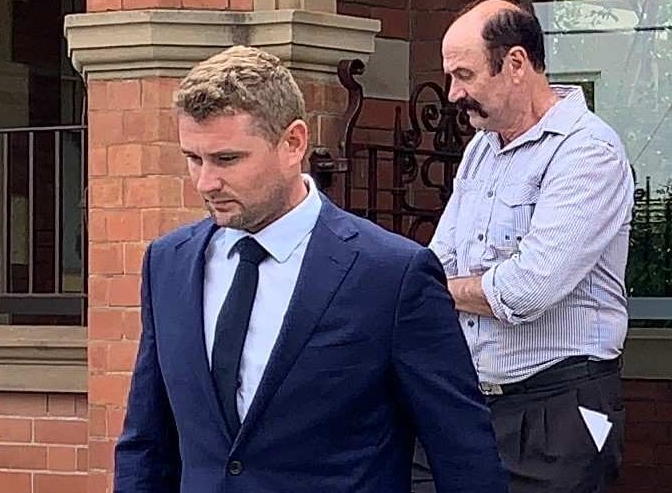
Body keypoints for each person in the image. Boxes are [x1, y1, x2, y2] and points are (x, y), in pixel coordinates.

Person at [113, 45, 508, 493]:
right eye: (193, 158)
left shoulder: (392, 274)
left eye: (227, 159)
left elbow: (463, 454)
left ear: (293, 143)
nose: (206, 182)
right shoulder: (168, 263)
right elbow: (146, 444)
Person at [422, 1, 634, 492]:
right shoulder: (481, 147)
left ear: (515, 64)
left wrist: (437, 289)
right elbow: (439, 257)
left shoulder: (587, 151)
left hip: (557, 409)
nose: (454, 93)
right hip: (470, 402)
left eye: (464, 75)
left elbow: (526, 290)